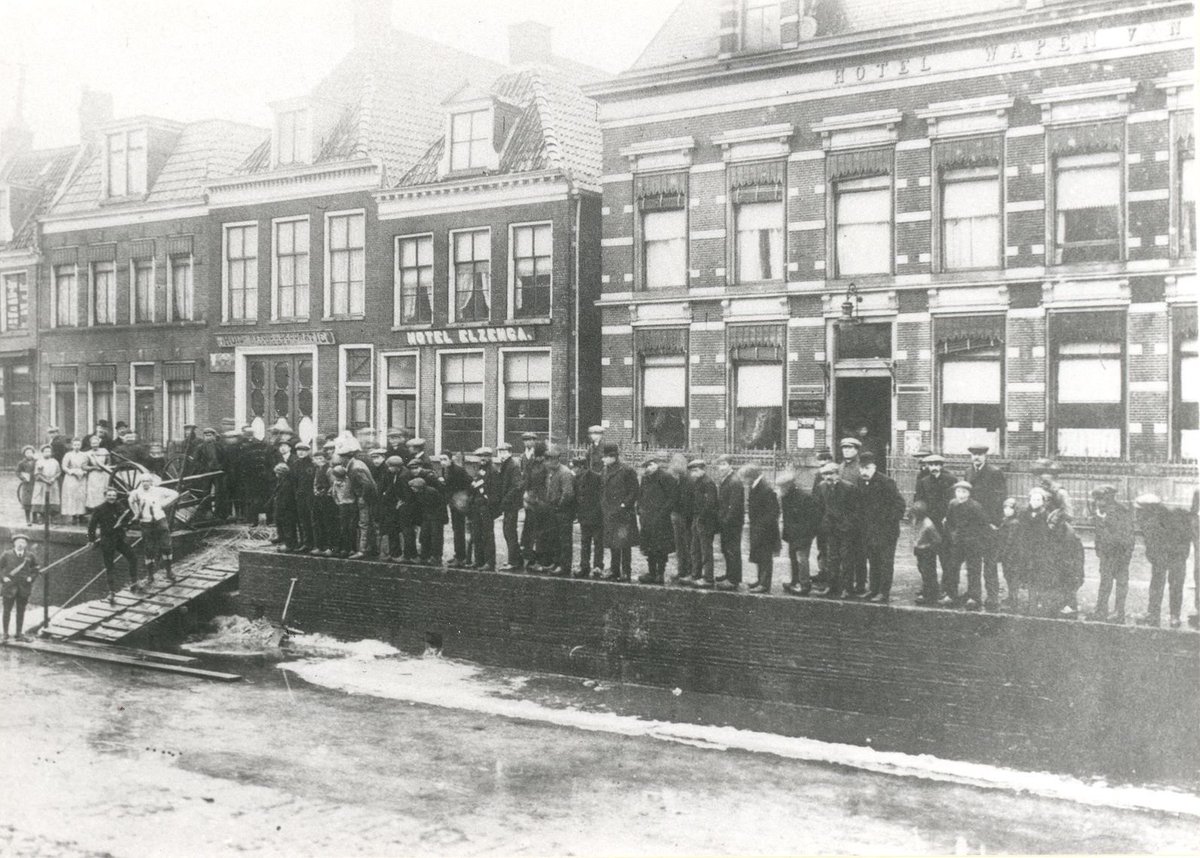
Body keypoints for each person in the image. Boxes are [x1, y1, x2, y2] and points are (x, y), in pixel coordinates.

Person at [1134, 493, 1193, 628]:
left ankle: (1172, 616)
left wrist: (1178, 556)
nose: (1138, 513)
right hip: (1162, 558)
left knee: (1173, 586)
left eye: (1140, 510)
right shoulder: (1150, 520)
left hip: (1175, 558)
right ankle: (1155, 614)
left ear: (1149, 509)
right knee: (1158, 585)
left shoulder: (1170, 519)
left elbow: (1185, 539)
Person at [856, 452, 905, 603]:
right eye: (861, 468)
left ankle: (884, 592)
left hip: (886, 532)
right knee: (873, 561)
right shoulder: (860, 482)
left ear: (874, 467)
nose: (864, 472)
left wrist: (887, 522)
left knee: (885, 562)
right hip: (869, 531)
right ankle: (873, 590)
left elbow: (900, 505)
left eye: (867, 468)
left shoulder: (886, 482)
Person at [965, 444, 1006, 598]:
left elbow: (1000, 498)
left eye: (979, 454)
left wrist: (994, 522)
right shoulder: (968, 472)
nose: (976, 457)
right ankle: (973, 596)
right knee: (972, 562)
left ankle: (992, 596)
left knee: (990, 563)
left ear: (985, 456)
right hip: (972, 525)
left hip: (988, 524)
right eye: (974, 454)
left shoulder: (994, 472)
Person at [1088, 486, 1134, 624]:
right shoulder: (1101, 511)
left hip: (1119, 552)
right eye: (1097, 499)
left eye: (1101, 499)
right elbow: (1099, 533)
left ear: (1109, 498)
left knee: (1120, 582)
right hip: (1107, 553)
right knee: (1105, 581)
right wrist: (1099, 549)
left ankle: (1119, 611)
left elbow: (1123, 534)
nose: (1098, 502)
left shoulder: (1120, 511)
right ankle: (1101, 609)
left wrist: (1126, 553)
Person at [815, 461, 860, 599]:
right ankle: (831, 586)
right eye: (825, 474)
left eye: (830, 473)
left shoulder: (849, 488)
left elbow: (855, 510)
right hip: (831, 529)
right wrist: (824, 523)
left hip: (846, 529)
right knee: (832, 558)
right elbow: (820, 507)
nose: (827, 477)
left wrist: (848, 525)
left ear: (837, 474)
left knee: (847, 558)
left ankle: (847, 588)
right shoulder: (822, 487)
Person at [944, 480, 992, 610]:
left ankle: (974, 597)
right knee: (952, 567)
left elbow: (984, 524)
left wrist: (977, 540)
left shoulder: (975, 506)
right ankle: (951, 594)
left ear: (969, 493)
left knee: (973, 570)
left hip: (973, 544)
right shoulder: (953, 504)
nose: (961, 495)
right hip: (958, 543)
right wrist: (953, 534)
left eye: (964, 492)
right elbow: (949, 522)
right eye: (958, 491)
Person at [127, 473, 179, 586]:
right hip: (146, 523)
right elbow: (130, 501)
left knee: (166, 546)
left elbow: (175, 494)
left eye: (147, 481)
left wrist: (164, 504)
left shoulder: (158, 490)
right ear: (141, 482)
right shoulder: (136, 493)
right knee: (149, 549)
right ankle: (150, 575)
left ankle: (169, 571)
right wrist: (136, 513)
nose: (145, 483)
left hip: (160, 520)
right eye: (143, 481)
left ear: (151, 482)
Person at [914, 453, 956, 592]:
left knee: (946, 559)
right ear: (928, 466)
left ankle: (947, 589)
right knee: (927, 558)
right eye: (931, 465)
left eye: (937, 464)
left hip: (945, 524)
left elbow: (953, 501)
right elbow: (918, 499)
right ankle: (930, 588)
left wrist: (948, 517)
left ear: (941, 466)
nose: (934, 467)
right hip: (929, 524)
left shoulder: (950, 479)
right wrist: (921, 515)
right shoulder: (923, 481)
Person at [88, 487, 138, 602]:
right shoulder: (99, 509)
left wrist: (125, 524)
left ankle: (134, 582)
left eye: (114, 496)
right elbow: (92, 525)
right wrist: (91, 539)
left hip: (119, 539)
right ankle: (111, 592)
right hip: (107, 540)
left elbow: (127, 520)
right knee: (109, 566)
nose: (112, 497)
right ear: (105, 496)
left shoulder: (119, 506)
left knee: (133, 557)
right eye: (109, 495)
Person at [600, 443, 640, 582]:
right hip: (610, 513)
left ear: (613, 457)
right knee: (613, 543)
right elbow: (603, 490)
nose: (603, 459)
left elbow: (634, 491)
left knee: (624, 544)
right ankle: (614, 570)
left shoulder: (627, 470)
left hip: (623, 515)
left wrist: (624, 505)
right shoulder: (605, 470)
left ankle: (626, 572)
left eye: (605, 457)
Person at [636, 456, 675, 585]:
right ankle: (651, 572)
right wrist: (639, 509)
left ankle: (660, 573)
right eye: (646, 466)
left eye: (651, 464)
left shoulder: (666, 477)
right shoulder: (645, 478)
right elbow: (641, 494)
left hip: (660, 519)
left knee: (661, 547)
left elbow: (672, 498)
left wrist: (663, 513)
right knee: (649, 547)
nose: (648, 468)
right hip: (647, 518)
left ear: (656, 464)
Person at [779, 471, 820, 596]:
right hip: (792, 534)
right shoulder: (786, 497)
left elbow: (812, 519)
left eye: (782, 487)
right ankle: (795, 582)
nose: (780, 489)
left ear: (789, 485)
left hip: (803, 535)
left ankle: (804, 585)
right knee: (793, 558)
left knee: (802, 559)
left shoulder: (804, 497)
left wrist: (806, 534)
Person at [1017, 487, 1055, 616]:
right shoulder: (1024, 513)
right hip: (1027, 551)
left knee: (1041, 577)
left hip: (1040, 551)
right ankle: (1032, 605)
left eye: (1038, 500)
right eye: (1033, 499)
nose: (1035, 502)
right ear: (1029, 500)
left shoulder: (1046, 515)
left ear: (1043, 501)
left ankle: (1043, 604)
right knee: (1030, 578)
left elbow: (1048, 534)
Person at [742, 465, 781, 594]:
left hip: (766, 531)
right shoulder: (756, 486)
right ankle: (760, 580)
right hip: (758, 528)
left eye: (745, 478)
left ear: (751, 477)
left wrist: (762, 526)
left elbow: (774, 512)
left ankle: (764, 584)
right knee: (759, 555)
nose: (744, 481)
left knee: (765, 557)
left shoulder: (765, 488)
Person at [542, 447, 575, 575]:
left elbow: (568, 493)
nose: (546, 463)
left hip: (563, 512)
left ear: (554, 460)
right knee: (555, 539)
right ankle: (556, 563)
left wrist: (559, 506)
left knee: (564, 540)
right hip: (554, 510)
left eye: (548, 460)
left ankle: (564, 566)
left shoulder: (564, 473)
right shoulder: (553, 472)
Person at [686, 459, 718, 588]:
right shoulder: (698, 482)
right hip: (697, 519)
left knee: (706, 551)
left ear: (702, 470)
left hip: (705, 521)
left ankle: (708, 578)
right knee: (695, 549)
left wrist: (701, 517)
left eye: (695, 471)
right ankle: (695, 575)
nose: (693, 474)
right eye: (692, 471)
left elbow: (711, 504)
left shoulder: (708, 483)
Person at [1, 534, 39, 642]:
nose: (20, 544)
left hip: (24, 588)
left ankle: (18, 634)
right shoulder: (6, 554)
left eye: (23, 542)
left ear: (26, 544)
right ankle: (5, 634)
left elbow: (36, 569)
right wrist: (3, 578)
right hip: (9, 588)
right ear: (14, 543)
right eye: (18, 542)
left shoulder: (30, 556)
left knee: (21, 611)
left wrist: (31, 578)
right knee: (7, 611)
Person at [714, 455, 744, 588]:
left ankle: (733, 580)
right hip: (726, 521)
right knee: (726, 549)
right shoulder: (727, 479)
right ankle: (729, 574)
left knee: (732, 550)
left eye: (724, 464)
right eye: (719, 464)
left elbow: (734, 505)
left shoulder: (734, 481)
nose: (721, 467)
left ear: (730, 465)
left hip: (732, 523)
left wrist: (726, 520)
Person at [573, 456, 604, 579]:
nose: (574, 470)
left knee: (597, 542)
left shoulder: (596, 477)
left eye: (575, 467)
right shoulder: (576, 478)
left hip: (596, 515)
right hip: (584, 515)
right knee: (585, 542)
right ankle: (584, 566)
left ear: (582, 467)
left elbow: (601, 495)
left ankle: (597, 567)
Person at [522, 442, 551, 572]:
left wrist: (527, 496)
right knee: (539, 533)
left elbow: (526, 482)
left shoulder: (531, 464)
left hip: (533, 501)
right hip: (540, 502)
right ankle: (538, 560)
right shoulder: (545, 465)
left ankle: (532, 560)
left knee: (532, 533)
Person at [465, 455, 497, 570]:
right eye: (480, 456)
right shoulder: (480, 470)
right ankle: (479, 560)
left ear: (489, 457)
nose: (482, 459)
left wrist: (489, 504)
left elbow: (494, 491)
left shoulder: (492, 471)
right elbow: (473, 487)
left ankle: (489, 562)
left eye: (485, 456)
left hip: (485, 507)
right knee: (476, 534)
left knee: (487, 535)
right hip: (476, 506)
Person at [497, 443, 525, 571]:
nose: (501, 454)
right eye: (500, 452)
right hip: (508, 504)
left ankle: (513, 561)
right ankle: (516, 559)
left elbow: (517, 486)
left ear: (509, 452)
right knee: (508, 531)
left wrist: (506, 499)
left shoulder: (513, 465)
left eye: (504, 452)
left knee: (510, 531)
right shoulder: (506, 464)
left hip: (511, 504)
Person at [442, 452, 472, 567]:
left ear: (451, 459)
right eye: (440, 459)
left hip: (460, 503)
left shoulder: (458, 470)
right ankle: (458, 554)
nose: (442, 462)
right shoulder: (445, 469)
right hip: (453, 503)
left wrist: (463, 497)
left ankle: (461, 558)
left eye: (445, 459)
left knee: (459, 530)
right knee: (456, 529)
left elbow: (469, 482)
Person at [910, 500, 942, 605]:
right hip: (919, 549)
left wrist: (930, 548)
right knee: (922, 569)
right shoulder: (916, 520)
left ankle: (929, 593)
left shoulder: (928, 524)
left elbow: (937, 539)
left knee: (928, 572)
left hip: (927, 551)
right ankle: (931, 589)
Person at [668, 453, 692, 583]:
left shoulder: (688, 479)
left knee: (687, 545)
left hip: (686, 517)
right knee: (679, 545)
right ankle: (681, 570)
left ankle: (689, 571)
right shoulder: (675, 478)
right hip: (676, 515)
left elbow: (688, 500)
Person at [411, 476, 446, 564]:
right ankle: (425, 555)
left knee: (436, 537)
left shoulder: (431, 492)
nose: (412, 489)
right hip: (427, 516)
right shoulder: (420, 493)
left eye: (414, 487)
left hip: (436, 516)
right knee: (424, 535)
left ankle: (436, 557)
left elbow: (439, 505)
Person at [997, 497, 1023, 612]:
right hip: (1007, 553)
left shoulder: (1014, 523)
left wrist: (1004, 553)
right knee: (1008, 575)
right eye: (1005, 508)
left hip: (1012, 554)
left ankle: (1013, 600)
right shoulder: (1006, 520)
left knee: (1012, 577)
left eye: (1010, 508)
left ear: (1015, 510)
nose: (1007, 510)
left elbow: (1010, 540)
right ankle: (1011, 597)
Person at [290, 443, 316, 553]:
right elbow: (294, 481)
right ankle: (305, 542)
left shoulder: (312, 464)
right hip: (299, 496)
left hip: (310, 496)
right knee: (302, 520)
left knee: (311, 519)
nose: (300, 452)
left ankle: (313, 543)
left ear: (308, 451)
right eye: (298, 450)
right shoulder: (295, 464)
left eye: (303, 450)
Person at [310, 449, 335, 557]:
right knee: (318, 523)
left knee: (328, 523)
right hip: (318, 499)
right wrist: (315, 491)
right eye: (316, 459)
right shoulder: (317, 470)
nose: (319, 461)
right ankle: (320, 547)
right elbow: (315, 483)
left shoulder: (329, 470)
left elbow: (333, 485)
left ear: (325, 459)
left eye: (321, 458)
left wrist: (326, 493)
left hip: (328, 500)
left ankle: (331, 548)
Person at [330, 464, 357, 558]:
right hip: (343, 505)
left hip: (350, 504)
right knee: (344, 527)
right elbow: (334, 494)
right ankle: (345, 548)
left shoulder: (349, 481)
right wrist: (338, 502)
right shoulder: (336, 482)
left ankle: (352, 548)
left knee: (351, 527)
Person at [61, 437, 89, 524]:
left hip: (81, 477)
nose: (77, 446)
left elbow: (86, 465)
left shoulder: (84, 455)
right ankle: (73, 516)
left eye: (78, 445)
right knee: (72, 495)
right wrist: (72, 472)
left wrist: (83, 472)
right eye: (75, 445)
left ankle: (81, 515)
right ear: (72, 446)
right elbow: (64, 466)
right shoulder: (68, 455)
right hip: (71, 477)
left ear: (81, 445)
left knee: (81, 496)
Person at [31, 445, 62, 524]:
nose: (47, 453)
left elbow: (58, 472)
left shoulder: (55, 461)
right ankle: (42, 517)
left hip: (52, 483)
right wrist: (45, 480)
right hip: (42, 483)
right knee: (41, 499)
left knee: (53, 499)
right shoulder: (39, 462)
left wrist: (53, 478)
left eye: (49, 451)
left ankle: (53, 517)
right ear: (42, 452)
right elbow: (37, 474)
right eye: (45, 451)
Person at [272, 462, 298, 552]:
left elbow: (286, 498)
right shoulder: (282, 481)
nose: (276, 475)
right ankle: (286, 542)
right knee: (284, 526)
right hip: (282, 507)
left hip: (286, 509)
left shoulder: (287, 483)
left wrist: (281, 507)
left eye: (277, 473)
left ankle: (290, 545)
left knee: (288, 527)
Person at [84, 437, 112, 513]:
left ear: (99, 443)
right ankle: (94, 510)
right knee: (94, 492)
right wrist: (94, 467)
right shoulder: (87, 453)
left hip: (104, 474)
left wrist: (106, 467)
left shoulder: (104, 451)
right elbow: (84, 466)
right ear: (90, 444)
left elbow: (109, 462)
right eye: (93, 443)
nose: (95, 445)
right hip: (94, 475)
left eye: (96, 443)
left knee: (103, 491)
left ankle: (104, 509)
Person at [15, 445, 36, 525]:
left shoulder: (36, 461)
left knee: (35, 500)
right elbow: (17, 472)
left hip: (35, 483)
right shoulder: (21, 463)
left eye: (30, 452)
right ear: (24, 454)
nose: (29, 454)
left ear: (33, 453)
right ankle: (28, 519)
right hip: (27, 484)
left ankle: (35, 518)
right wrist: (23, 478)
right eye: (27, 453)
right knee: (27, 501)